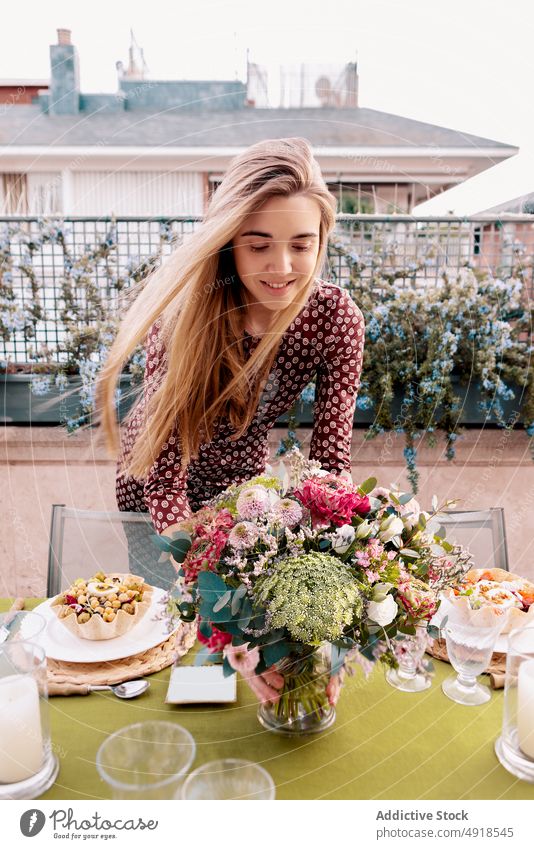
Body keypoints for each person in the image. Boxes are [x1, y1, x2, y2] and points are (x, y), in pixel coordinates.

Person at [95, 136, 365, 698]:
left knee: (255, 644)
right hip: (154, 494)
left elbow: (328, 469)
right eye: (258, 244)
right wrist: (226, 629)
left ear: (322, 241)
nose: (282, 266)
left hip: (245, 485)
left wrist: (327, 621)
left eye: (301, 243)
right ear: (228, 244)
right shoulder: (184, 320)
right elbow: (164, 482)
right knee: (163, 647)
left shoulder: (335, 317)